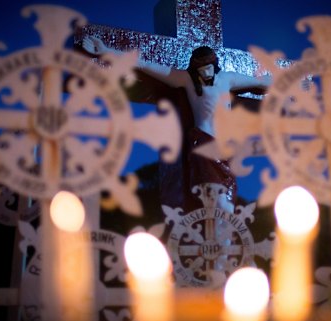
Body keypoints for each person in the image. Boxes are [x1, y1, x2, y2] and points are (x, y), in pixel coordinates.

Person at [82, 35, 272, 214]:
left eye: (209, 67)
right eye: (201, 69)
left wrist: (284, 80)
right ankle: (215, 240)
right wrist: (107, 50)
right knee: (215, 201)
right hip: (204, 144)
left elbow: (258, 81)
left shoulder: (227, 79)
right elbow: (146, 65)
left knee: (228, 201)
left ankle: (225, 244)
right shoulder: (186, 80)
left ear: (215, 65)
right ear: (194, 69)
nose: (206, 72)